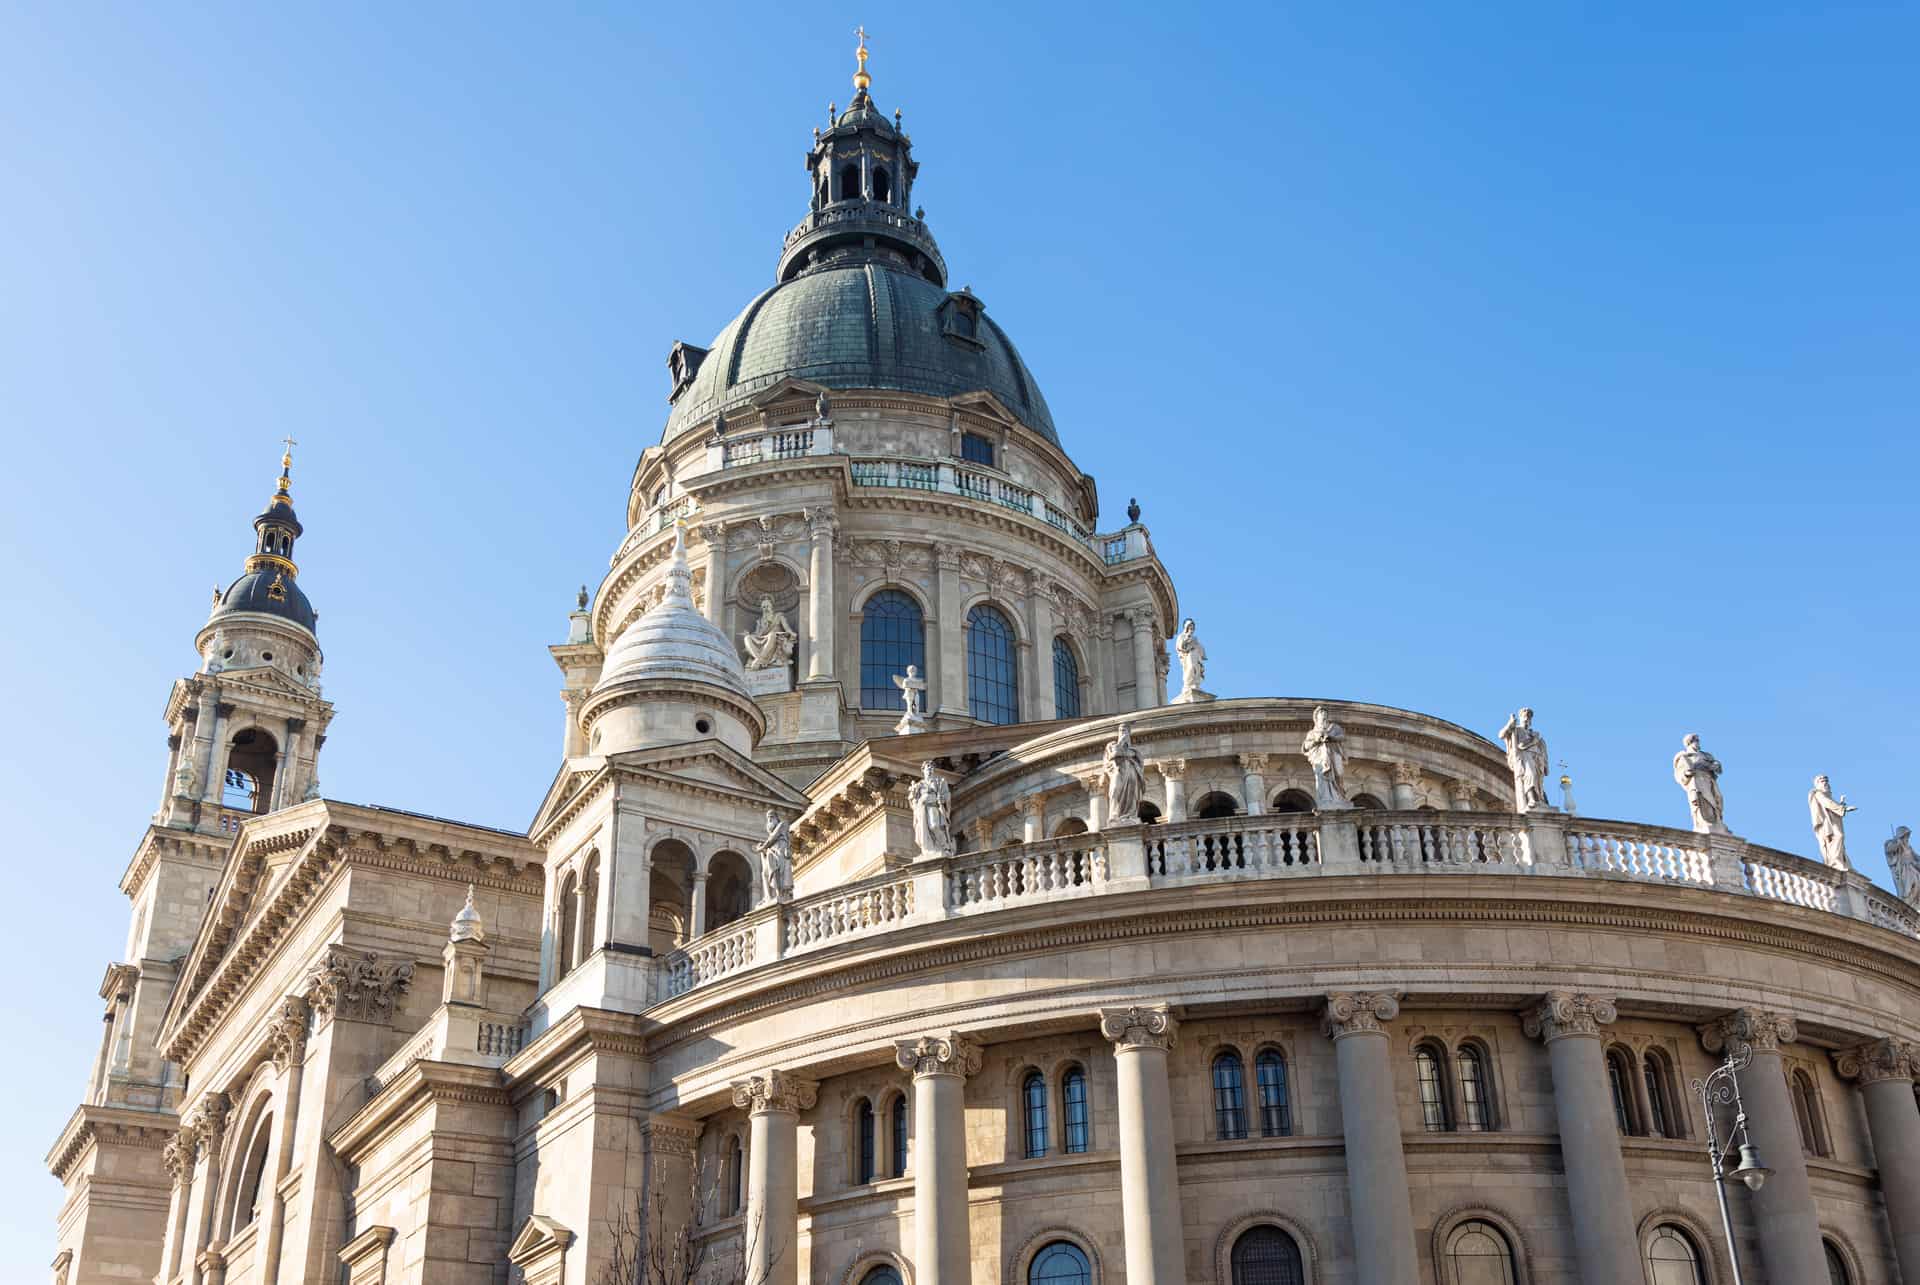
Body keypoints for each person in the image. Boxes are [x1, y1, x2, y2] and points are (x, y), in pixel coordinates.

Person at [1671, 734, 1728, 834]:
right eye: (1695, 740)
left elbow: (1718, 767)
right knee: (1703, 801)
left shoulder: (1706, 755)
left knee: (1718, 798)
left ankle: (1718, 822)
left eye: (1698, 740)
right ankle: (1706, 823)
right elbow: (1679, 773)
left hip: (1709, 780)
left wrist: (1715, 765)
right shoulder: (1684, 756)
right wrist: (1686, 773)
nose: (1697, 742)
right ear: (1689, 742)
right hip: (1697, 782)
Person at [1498, 707, 1551, 812]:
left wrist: (1545, 764)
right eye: (1525, 717)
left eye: (1529, 718)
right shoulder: (1516, 730)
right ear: (1521, 718)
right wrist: (1510, 724)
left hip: (1537, 757)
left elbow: (1543, 749)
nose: (1527, 719)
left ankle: (1538, 800)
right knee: (1529, 776)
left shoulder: (1535, 734)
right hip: (1524, 756)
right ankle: (1531, 799)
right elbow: (1501, 735)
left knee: (1538, 781)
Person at [908, 760, 955, 857]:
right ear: (923, 770)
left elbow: (947, 795)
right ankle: (929, 849)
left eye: (932, 767)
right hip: (922, 809)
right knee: (924, 829)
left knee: (934, 826)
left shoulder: (939, 781)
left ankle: (945, 846)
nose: (930, 769)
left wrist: (943, 799)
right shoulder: (919, 785)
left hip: (933, 806)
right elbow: (913, 800)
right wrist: (912, 795)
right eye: (928, 767)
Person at [1103, 722, 1146, 822]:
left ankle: (1129, 815)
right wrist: (1121, 745)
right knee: (1114, 791)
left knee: (1131, 796)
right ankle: (1114, 815)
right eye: (1121, 730)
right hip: (1118, 773)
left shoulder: (1134, 751)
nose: (1123, 733)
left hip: (1131, 774)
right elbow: (1112, 757)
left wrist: (1129, 756)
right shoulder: (1112, 745)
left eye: (1125, 731)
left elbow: (1140, 764)